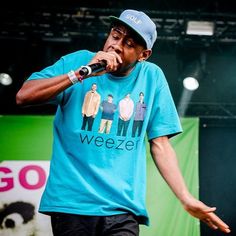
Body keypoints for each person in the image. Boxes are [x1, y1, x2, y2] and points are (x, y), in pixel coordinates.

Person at [16, 9, 230, 236]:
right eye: (115, 36)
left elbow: (161, 144)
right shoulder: (78, 62)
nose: (116, 45)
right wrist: (80, 74)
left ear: (143, 55)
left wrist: (186, 198)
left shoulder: (152, 77)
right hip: (72, 205)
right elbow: (24, 96)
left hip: (122, 208)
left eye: (129, 43)